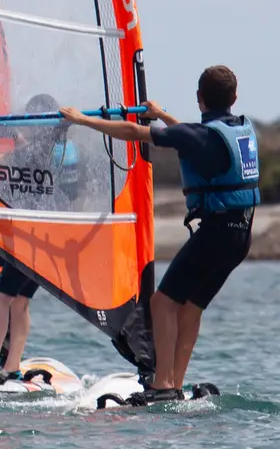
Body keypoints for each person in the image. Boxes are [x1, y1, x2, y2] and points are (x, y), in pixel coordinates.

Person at [64, 65, 259, 404]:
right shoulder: (238, 129)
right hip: (241, 235)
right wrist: (162, 115)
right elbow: (193, 135)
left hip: (216, 233)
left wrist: (83, 120)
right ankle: (175, 382)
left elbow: (133, 131)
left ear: (199, 98)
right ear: (235, 98)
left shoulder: (200, 135)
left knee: (161, 302)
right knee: (190, 308)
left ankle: (163, 384)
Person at [0, 94, 82, 385]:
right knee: (20, 301)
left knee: (1, 298)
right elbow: (36, 154)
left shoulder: (33, 151)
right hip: (57, 236)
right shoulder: (67, 148)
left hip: (31, 236)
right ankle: (12, 367)